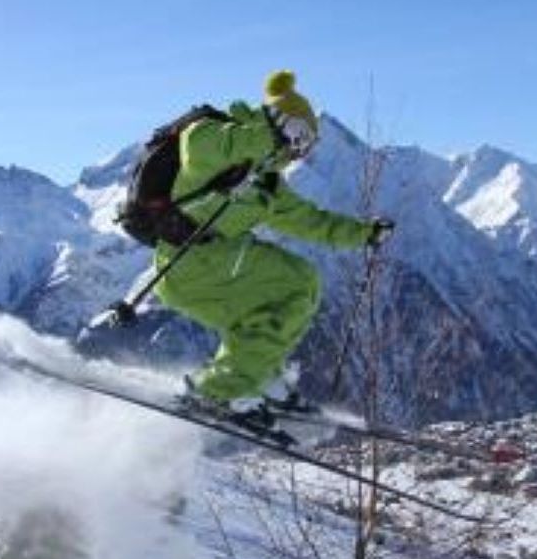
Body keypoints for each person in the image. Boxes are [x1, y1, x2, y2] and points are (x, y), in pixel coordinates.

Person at [154, 70, 393, 418]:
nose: (299, 153)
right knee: (296, 283)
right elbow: (212, 146)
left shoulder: (264, 185)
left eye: (307, 146)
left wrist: (364, 234)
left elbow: (311, 221)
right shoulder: (209, 137)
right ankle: (220, 389)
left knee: (292, 295)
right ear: (283, 125)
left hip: (208, 269)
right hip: (187, 262)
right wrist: (268, 137)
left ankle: (258, 377)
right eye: (300, 140)